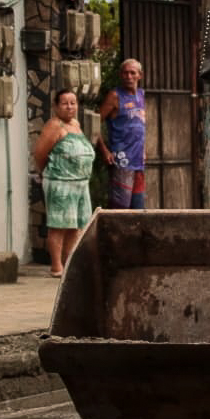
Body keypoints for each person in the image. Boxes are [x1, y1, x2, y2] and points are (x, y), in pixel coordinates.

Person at [34, 89, 95, 277]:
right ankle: (56, 266)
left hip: (80, 184)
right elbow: (40, 155)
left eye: (73, 103)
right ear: (56, 106)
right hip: (60, 183)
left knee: (75, 226)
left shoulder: (76, 124)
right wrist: (49, 174)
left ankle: (68, 264)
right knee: (59, 225)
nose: (70, 107)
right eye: (65, 103)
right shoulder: (54, 125)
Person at [97, 59, 147, 210]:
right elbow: (93, 123)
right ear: (120, 75)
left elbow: (139, 125)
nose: (129, 76)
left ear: (140, 75)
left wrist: (143, 150)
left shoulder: (141, 94)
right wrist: (104, 151)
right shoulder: (115, 96)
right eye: (125, 73)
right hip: (121, 162)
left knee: (138, 209)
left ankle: (135, 235)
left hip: (138, 162)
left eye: (133, 73)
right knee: (119, 210)